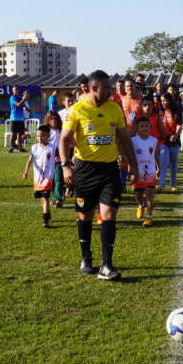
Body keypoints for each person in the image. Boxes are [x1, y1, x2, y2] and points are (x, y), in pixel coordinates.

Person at [59, 69, 136, 281]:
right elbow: (64, 139)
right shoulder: (77, 109)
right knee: (85, 216)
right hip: (85, 169)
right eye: (107, 87)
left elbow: (124, 138)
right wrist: (66, 166)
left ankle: (106, 265)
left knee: (109, 215)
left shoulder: (115, 109)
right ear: (94, 88)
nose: (111, 91)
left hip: (109, 169)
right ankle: (86, 257)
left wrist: (134, 165)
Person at [22, 124, 58, 227]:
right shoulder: (34, 147)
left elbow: (59, 158)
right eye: (38, 136)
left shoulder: (53, 147)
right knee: (42, 199)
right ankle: (48, 214)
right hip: (38, 178)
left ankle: (45, 220)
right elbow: (30, 160)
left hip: (48, 178)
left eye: (42, 135)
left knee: (45, 198)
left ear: (48, 136)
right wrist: (26, 172)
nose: (40, 138)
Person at [129, 116, 160, 226]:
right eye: (141, 126)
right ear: (137, 128)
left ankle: (149, 217)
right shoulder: (133, 141)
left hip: (150, 171)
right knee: (138, 194)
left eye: (146, 126)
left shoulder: (154, 140)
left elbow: (156, 155)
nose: (144, 128)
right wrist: (130, 171)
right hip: (138, 171)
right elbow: (131, 157)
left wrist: (159, 167)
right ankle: (141, 205)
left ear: (150, 127)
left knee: (149, 195)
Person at [152, 94, 182, 192]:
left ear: (169, 100)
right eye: (161, 101)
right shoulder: (159, 111)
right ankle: (161, 185)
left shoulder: (176, 111)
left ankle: (173, 185)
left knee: (173, 164)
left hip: (174, 141)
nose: (163, 103)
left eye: (165, 100)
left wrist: (176, 135)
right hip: (163, 141)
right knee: (163, 162)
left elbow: (179, 125)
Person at [44, 109, 67, 206]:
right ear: (48, 120)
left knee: (58, 178)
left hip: (59, 158)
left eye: (55, 118)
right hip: (48, 159)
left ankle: (58, 199)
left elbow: (66, 142)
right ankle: (55, 197)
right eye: (51, 119)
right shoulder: (46, 131)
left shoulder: (61, 130)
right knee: (51, 179)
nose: (54, 120)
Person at [7, 86, 30, 152]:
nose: (16, 91)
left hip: (21, 119)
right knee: (13, 134)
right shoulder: (12, 98)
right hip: (14, 118)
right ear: (12, 91)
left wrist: (27, 109)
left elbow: (24, 106)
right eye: (15, 90)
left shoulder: (20, 98)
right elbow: (18, 104)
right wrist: (24, 99)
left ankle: (20, 148)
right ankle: (11, 148)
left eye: (17, 89)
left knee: (20, 134)